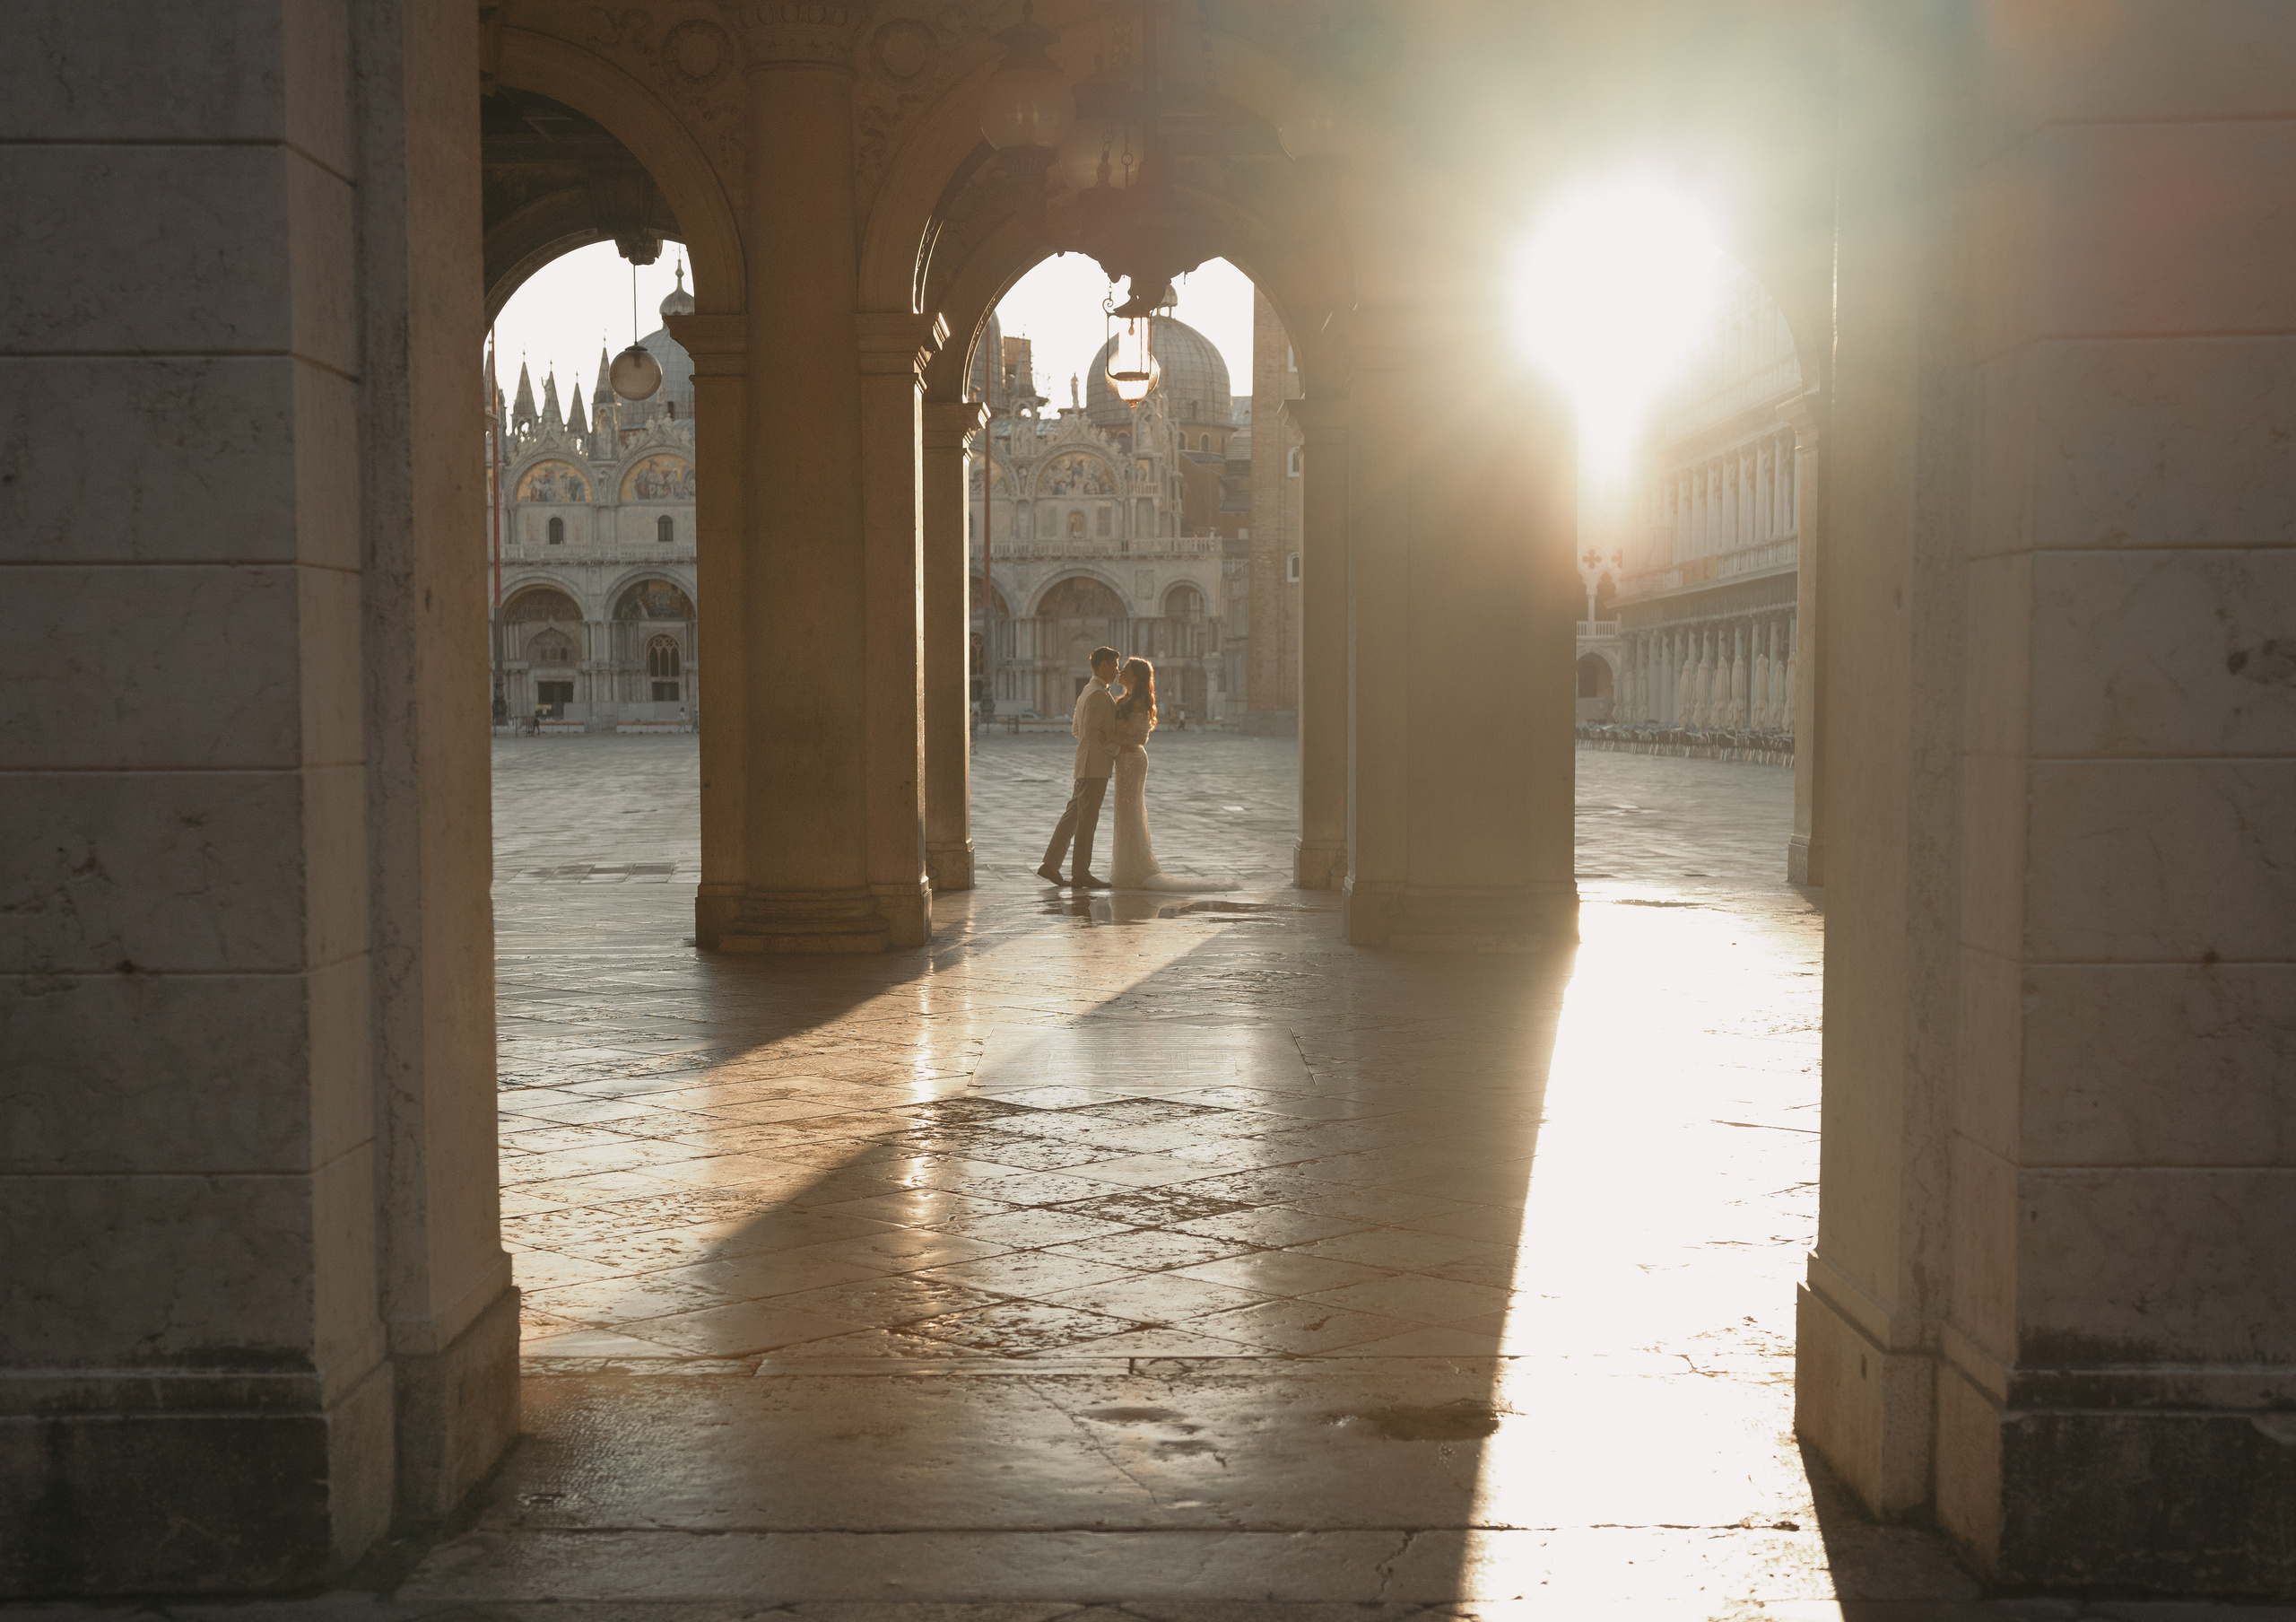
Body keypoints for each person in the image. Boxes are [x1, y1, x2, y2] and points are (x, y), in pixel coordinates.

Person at [1107, 657, 1236, 893]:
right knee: (1123, 813)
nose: (1120, 672)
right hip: (1123, 762)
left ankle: (1135, 868)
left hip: (1133, 760)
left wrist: (1111, 740)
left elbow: (1139, 738)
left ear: (1135, 676)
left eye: (1125, 669)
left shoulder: (1140, 702)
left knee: (1131, 811)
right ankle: (1126, 867)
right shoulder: (1122, 700)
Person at [1037, 647, 1121, 889]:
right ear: (1104, 665)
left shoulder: (1087, 691)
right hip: (1095, 767)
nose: (1117, 671)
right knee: (1087, 821)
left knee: (1073, 817)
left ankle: (1050, 864)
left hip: (1085, 763)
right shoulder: (1098, 695)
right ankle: (1081, 873)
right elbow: (1093, 736)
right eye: (1115, 665)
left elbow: (1077, 730)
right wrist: (1117, 748)